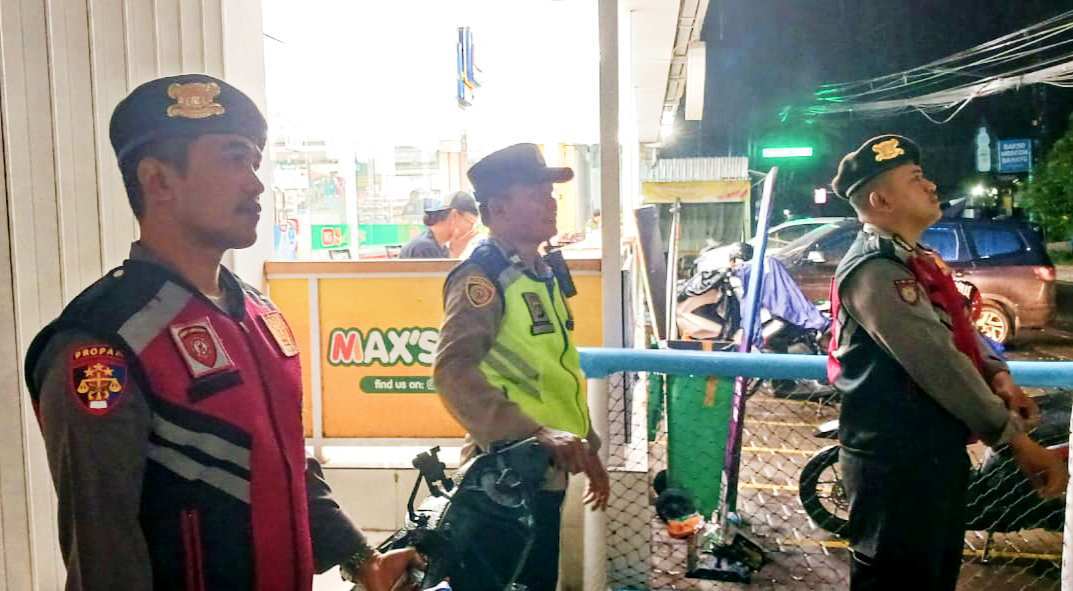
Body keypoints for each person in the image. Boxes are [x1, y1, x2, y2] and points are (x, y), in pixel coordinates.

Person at [23, 74, 418, 591]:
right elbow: (104, 547)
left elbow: (283, 460)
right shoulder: (103, 343)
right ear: (158, 181)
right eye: (234, 159)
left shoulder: (258, 314)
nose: (255, 183)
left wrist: (362, 559)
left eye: (254, 162)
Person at [827, 134, 1067, 590]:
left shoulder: (917, 260)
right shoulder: (876, 270)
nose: (932, 186)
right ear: (881, 200)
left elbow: (960, 329)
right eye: (916, 179)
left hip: (931, 455)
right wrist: (1017, 442)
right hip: (895, 464)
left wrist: (999, 375)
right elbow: (938, 362)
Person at [432, 143, 610, 591]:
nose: (551, 203)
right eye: (536, 194)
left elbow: (552, 370)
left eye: (550, 193)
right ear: (499, 209)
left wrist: (587, 445)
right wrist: (534, 432)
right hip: (505, 478)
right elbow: (453, 371)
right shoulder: (482, 277)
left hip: (544, 469)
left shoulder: (540, 271)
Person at [399, 191, 479, 258]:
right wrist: (454, 253)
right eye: (470, 223)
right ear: (454, 216)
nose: (471, 229)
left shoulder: (439, 246)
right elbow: (442, 273)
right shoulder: (425, 248)